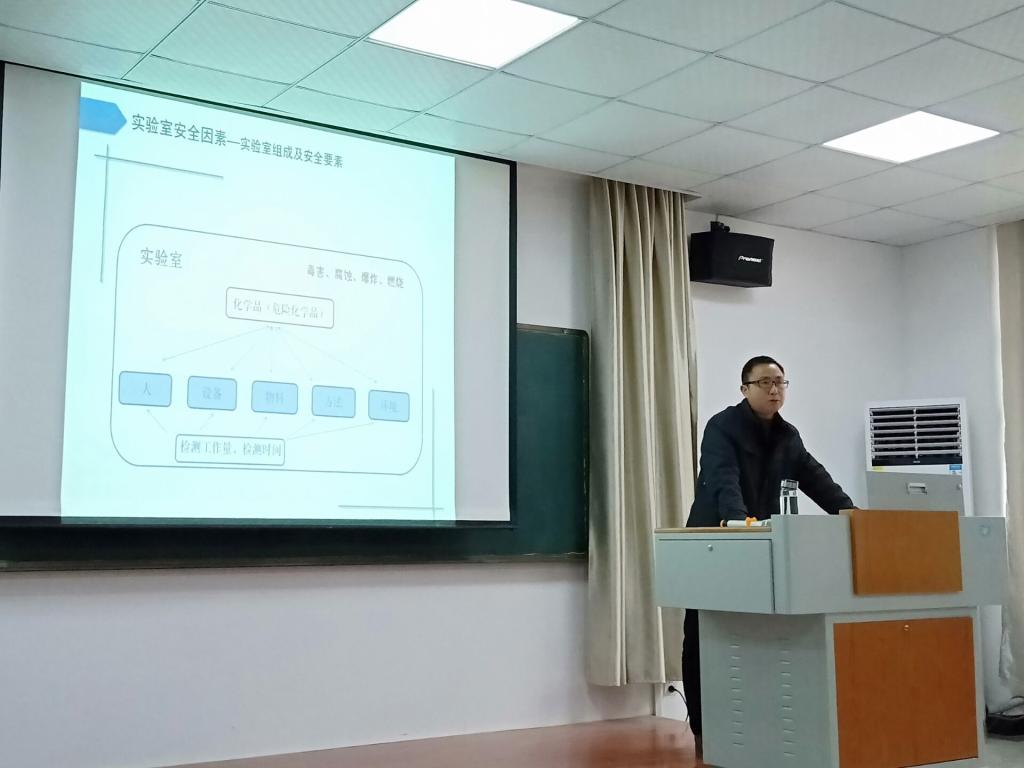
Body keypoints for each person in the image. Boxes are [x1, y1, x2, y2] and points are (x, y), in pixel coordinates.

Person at [681, 355, 854, 750]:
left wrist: (851, 514)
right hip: (715, 543)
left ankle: (757, 723)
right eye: (765, 383)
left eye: (780, 382)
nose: (775, 389)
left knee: (757, 632)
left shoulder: (788, 435)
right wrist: (738, 522)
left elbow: (815, 478)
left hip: (761, 547)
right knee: (703, 634)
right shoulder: (722, 427)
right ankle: (704, 729)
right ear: (745, 389)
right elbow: (723, 479)